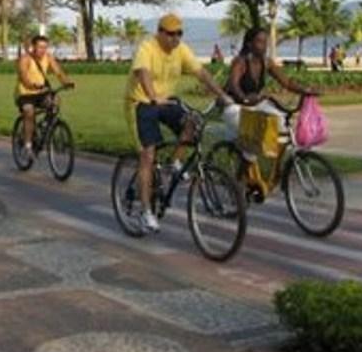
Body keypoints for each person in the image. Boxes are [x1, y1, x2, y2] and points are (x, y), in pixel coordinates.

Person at [126, 13, 232, 233]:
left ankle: (175, 163)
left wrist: (222, 96)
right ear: (160, 33)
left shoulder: (181, 50)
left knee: (192, 121)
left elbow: (201, 72)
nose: (176, 38)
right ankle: (145, 212)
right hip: (141, 103)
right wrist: (152, 95)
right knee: (148, 154)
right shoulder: (147, 47)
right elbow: (143, 72)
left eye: (179, 33)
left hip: (166, 102)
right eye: (171, 34)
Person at [222, 27, 316, 140]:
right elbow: (234, 84)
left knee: (281, 123)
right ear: (249, 44)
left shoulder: (266, 62)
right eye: (260, 42)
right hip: (235, 106)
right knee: (251, 138)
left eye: (265, 42)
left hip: (255, 105)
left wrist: (305, 90)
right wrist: (244, 98)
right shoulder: (240, 61)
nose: (264, 46)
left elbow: (286, 82)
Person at [15, 34, 74, 160]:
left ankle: (45, 127)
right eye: (40, 47)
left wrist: (66, 82)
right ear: (33, 47)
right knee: (29, 111)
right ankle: (27, 145)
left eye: (45, 47)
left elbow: (58, 71)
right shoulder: (25, 59)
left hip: (41, 92)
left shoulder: (48, 57)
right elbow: (23, 76)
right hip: (25, 94)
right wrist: (32, 85)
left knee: (55, 101)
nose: (43, 50)